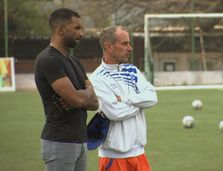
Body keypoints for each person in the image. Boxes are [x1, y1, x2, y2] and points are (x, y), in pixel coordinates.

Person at [34, 8, 99, 171]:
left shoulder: (74, 61)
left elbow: (95, 103)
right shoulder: (48, 60)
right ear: (61, 30)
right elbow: (78, 99)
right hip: (59, 141)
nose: (82, 33)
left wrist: (80, 97)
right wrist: (81, 97)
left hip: (80, 140)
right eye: (77, 28)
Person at [89, 26, 158, 171]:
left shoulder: (132, 70)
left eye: (129, 43)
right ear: (108, 46)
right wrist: (140, 103)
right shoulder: (96, 78)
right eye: (124, 43)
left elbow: (152, 97)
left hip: (139, 154)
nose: (130, 48)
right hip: (113, 158)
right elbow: (115, 112)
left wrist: (124, 99)